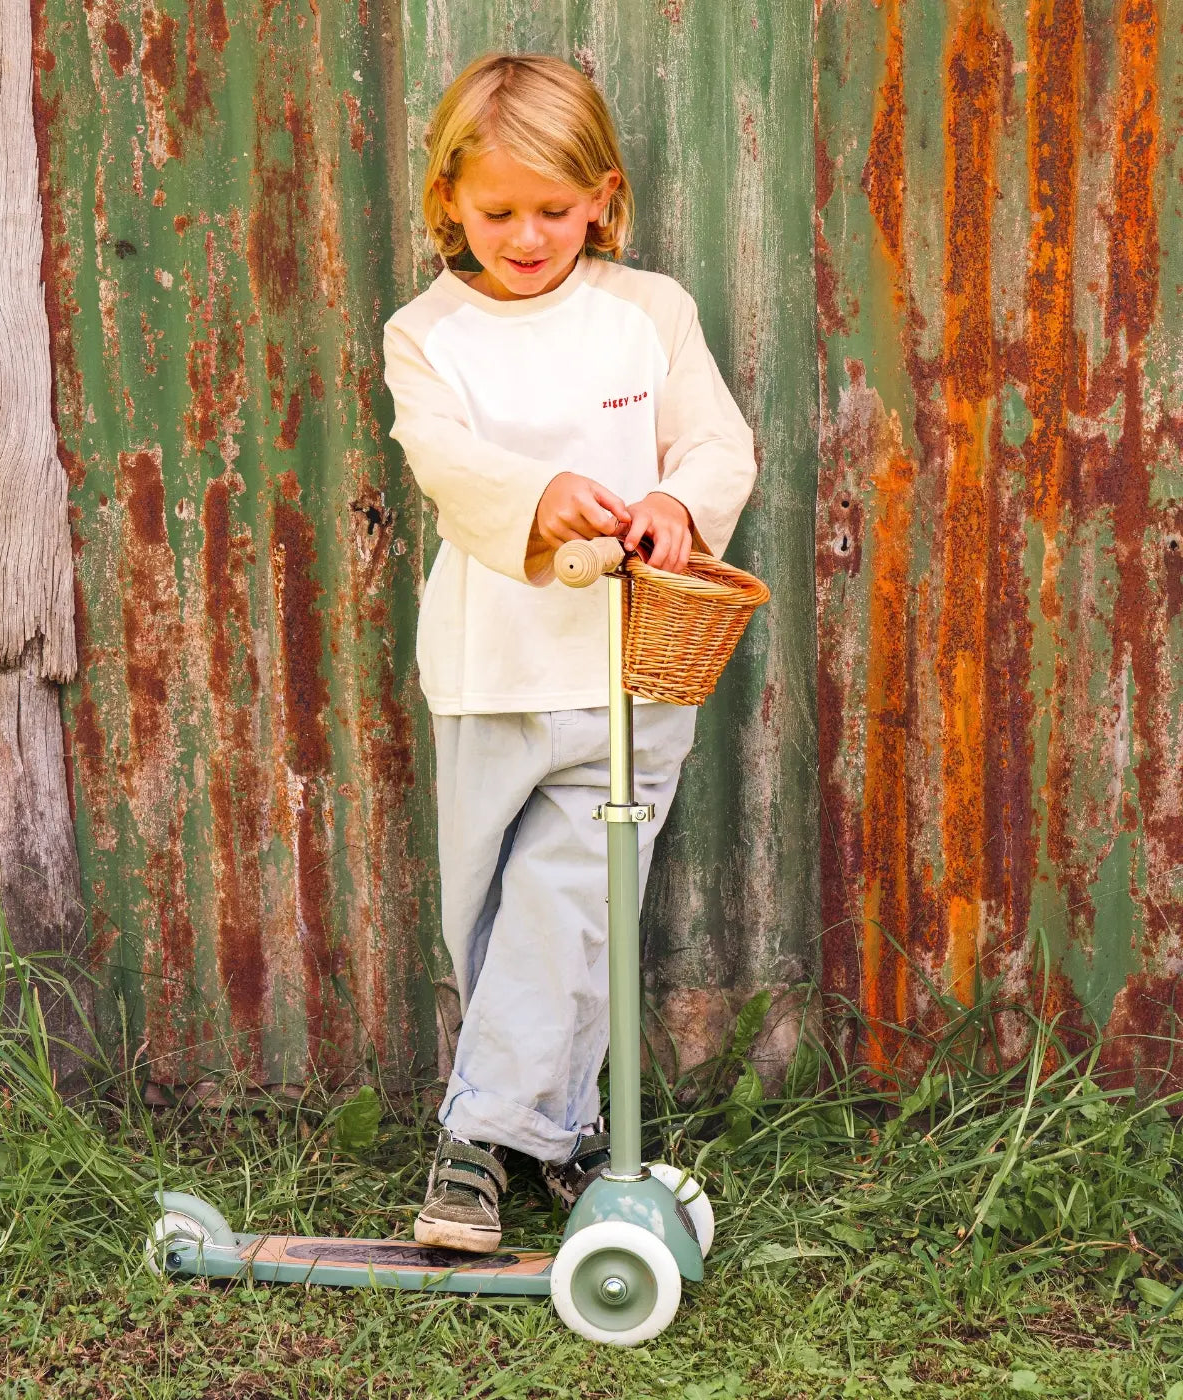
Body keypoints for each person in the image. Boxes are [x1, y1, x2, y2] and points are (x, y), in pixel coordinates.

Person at [382, 51, 756, 1253]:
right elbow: (444, 465)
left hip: (625, 669)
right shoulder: (425, 334)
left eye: (555, 208)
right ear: (450, 202)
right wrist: (537, 494)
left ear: (603, 195)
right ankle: (561, 1122)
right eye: (498, 212)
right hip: (489, 668)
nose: (529, 234)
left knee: (573, 896)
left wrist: (680, 510)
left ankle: (474, 1146)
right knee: (487, 916)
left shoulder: (648, 315)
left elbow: (716, 444)